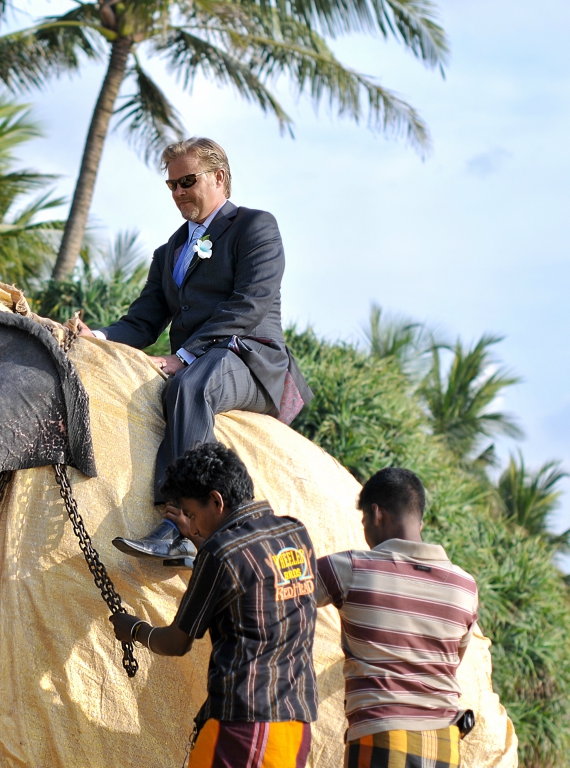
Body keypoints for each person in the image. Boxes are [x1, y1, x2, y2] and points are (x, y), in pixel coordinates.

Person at [78, 137, 311, 561]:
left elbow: (250, 303)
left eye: (187, 180)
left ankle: (181, 527)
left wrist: (184, 356)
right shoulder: (169, 251)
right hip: (202, 364)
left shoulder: (255, 227)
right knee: (182, 381)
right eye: (171, 185)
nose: (178, 192)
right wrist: (98, 338)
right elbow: (143, 321)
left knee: (188, 386)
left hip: (250, 358)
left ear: (219, 178)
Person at [111, 444, 318, 768]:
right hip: (296, 725)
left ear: (217, 501)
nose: (191, 528)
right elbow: (249, 579)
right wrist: (200, 540)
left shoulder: (220, 554)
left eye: (192, 515)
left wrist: (135, 629)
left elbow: (176, 642)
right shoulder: (295, 532)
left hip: (244, 730)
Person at [316, 468, 478, 768]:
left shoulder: (350, 569)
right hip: (446, 745)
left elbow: (282, 591)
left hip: (382, 736)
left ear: (377, 514)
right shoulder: (465, 587)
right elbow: (452, 659)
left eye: (364, 520)